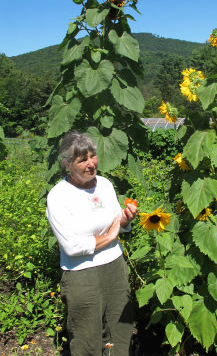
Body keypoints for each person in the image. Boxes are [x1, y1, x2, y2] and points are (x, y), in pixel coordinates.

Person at [46, 130, 137, 356]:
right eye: (82, 159)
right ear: (67, 164)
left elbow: (117, 220)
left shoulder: (104, 184)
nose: (91, 163)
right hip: (82, 273)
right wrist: (111, 235)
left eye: (92, 156)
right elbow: (72, 246)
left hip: (115, 266)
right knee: (87, 335)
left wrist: (126, 218)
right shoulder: (58, 196)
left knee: (120, 327)